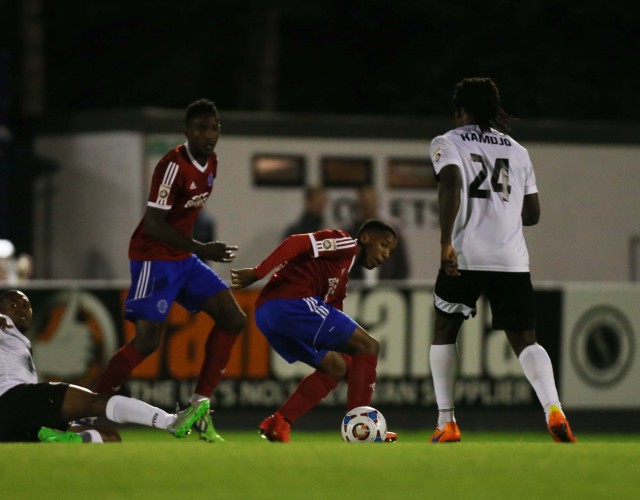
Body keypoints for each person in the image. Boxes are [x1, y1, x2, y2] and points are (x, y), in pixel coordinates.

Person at [428, 77, 575, 443]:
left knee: (445, 330)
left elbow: (450, 182)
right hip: (511, 259)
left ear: (460, 110)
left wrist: (446, 241)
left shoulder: (448, 141)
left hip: (465, 254)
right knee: (526, 338)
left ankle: (447, 421)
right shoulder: (518, 150)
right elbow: (532, 214)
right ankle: (553, 408)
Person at [91, 98, 246, 443]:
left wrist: (194, 251)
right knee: (147, 343)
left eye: (214, 127)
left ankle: (199, 410)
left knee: (234, 319)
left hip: (183, 259)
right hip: (153, 256)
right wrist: (202, 249)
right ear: (187, 132)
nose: (209, 134)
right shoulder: (173, 165)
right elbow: (154, 224)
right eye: (201, 128)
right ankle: (88, 410)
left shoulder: (212, 162)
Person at [0, 290, 210, 444]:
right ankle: (169, 421)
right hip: (16, 401)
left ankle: (62, 440)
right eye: (13, 305)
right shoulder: (1, 325)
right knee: (96, 402)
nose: (22, 309)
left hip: (4, 433)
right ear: (3, 312)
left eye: (25, 305)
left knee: (110, 437)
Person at [230, 219, 399, 443]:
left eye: (391, 251)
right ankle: (362, 427)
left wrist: (357, 371)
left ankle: (279, 422)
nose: (386, 254)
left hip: (267, 314)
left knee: (336, 366)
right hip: (290, 303)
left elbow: (336, 322)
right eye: (385, 244)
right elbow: (297, 242)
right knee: (370, 345)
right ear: (366, 239)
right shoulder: (345, 243)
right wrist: (258, 273)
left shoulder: (339, 282)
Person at [345, 186, 410, 282]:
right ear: (359, 205)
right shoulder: (349, 235)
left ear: (376, 204)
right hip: (356, 290)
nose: (368, 207)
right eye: (364, 203)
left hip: (387, 290)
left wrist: (395, 290)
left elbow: (402, 266)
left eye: (370, 203)